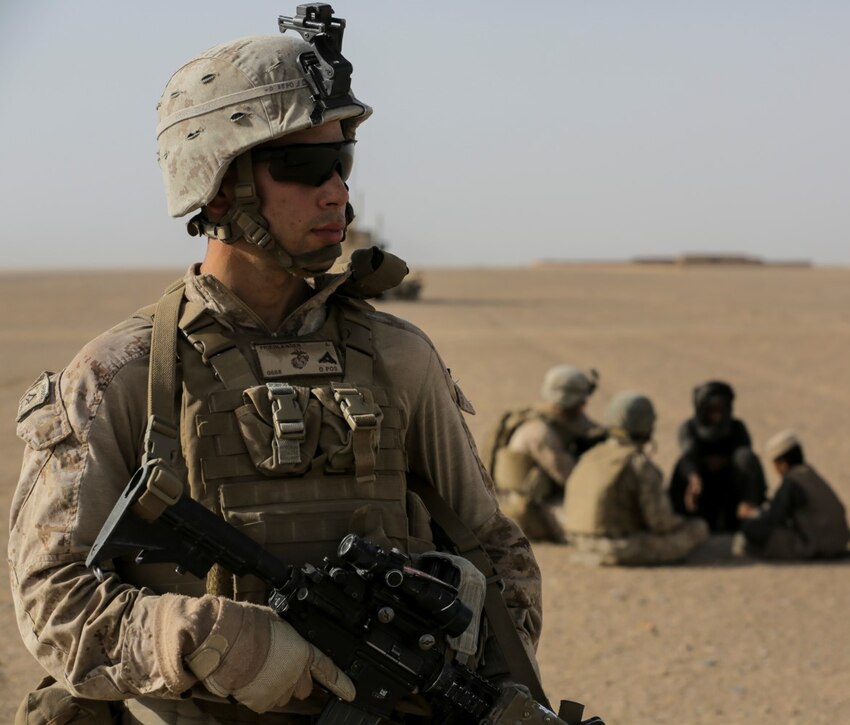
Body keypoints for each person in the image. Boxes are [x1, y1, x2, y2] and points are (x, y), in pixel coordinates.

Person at [8, 8, 545, 723]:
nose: (336, 191)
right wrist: (201, 638)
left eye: (342, 160)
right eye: (302, 165)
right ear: (217, 180)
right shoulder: (124, 373)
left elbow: (501, 554)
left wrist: (461, 638)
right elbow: (53, 603)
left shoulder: (399, 357)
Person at [564, 393, 710, 566]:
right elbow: (660, 522)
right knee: (698, 529)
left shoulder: (590, 456)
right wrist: (682, 522)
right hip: (619, 547)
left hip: (578, 542)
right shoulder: (638, 464)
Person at [487, 365, 605, 542]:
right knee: (593, 526)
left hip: (543, 499)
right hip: (527, 509)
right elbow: (571, 478)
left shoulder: (559, 418)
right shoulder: (540, 432)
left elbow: (591, 430)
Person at [668, 380, 767, 532]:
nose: (717, 414)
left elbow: (746, 461)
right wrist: (694, 478)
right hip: (701, 489)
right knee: (682, 465)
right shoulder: (689, 429)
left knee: (746, 457)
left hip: (730, 489)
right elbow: (688, 457)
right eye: (712, 409)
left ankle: (750, 517)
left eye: (721, 409)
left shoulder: (737, 428)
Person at [737, 430, 850, 559]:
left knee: (752, 527)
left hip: (818, 545)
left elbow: (776, 517)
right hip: (839, 542)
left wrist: (753, 514)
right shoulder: (810, 474)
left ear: (783, 464)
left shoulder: (792, 482)